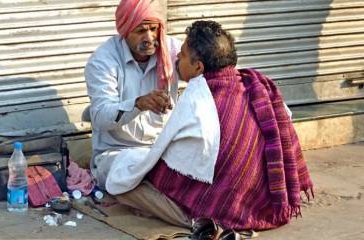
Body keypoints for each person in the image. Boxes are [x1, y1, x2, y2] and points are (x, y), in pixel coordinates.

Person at [141, 20, 314, 231]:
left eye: (183, 55)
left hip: (225, 204)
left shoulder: (198, 94)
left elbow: (167, 156)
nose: (176, 57)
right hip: (263, 201)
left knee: (131, 182)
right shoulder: (253, 84)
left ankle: (202, 222)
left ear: (198, 66)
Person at [84, 0, 181, 191]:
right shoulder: (103, 61)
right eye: (140, 31)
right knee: (140, 174)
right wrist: (138, 104)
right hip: (118, 153)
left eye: (154, 29)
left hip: (164, 148)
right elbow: (100, 117)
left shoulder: (172, 49)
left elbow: (201, 70)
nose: (150, 37)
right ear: (125, 31)